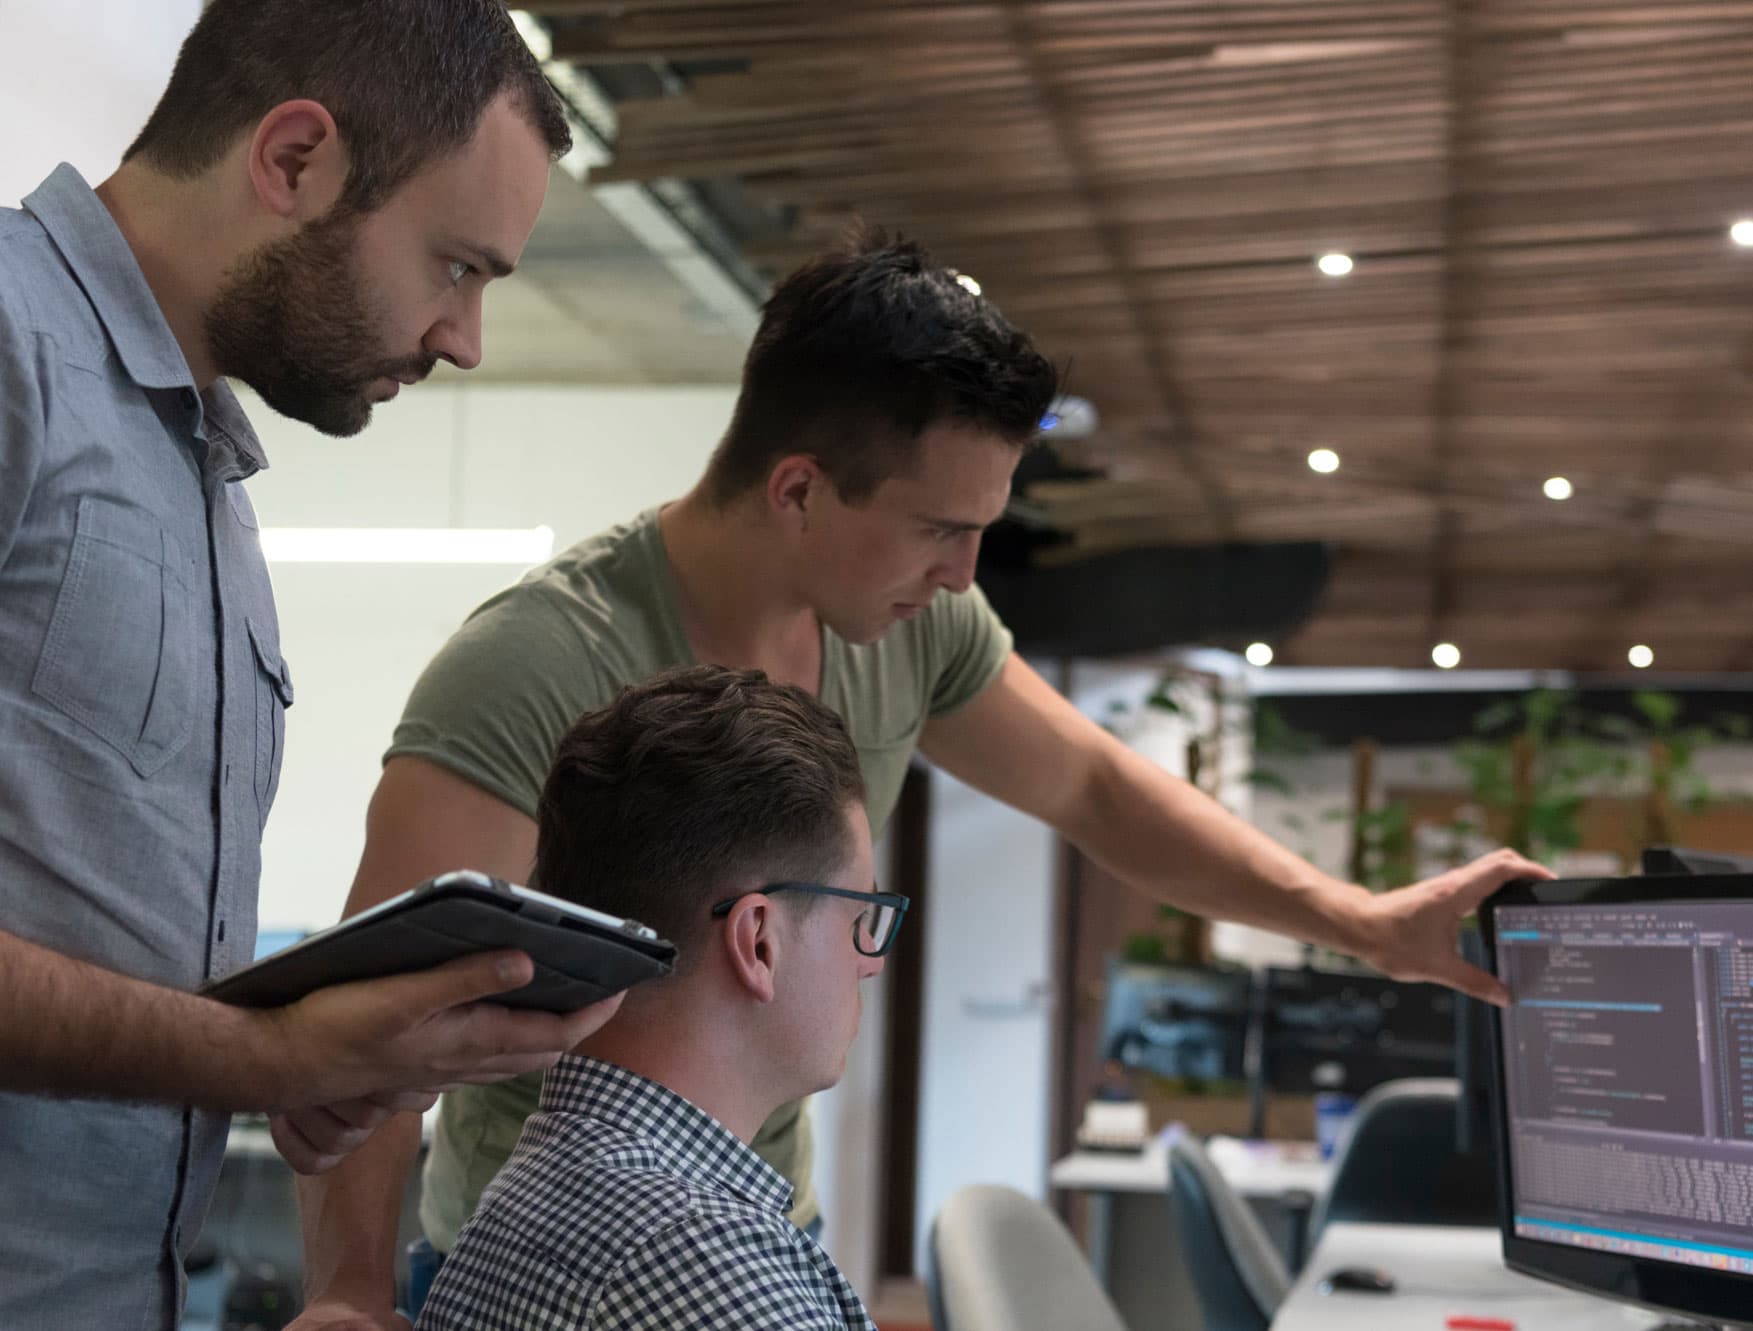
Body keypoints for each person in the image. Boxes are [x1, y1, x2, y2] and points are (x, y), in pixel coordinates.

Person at [292, 227, 1550, 1329]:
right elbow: (383, 1007)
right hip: (566, 1250)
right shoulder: (536, 663)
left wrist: (1364, 923)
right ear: (798, 490)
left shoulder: (910, 625)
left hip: (749, 1217)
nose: (963, 575)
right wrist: (348, 1289)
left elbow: (1094, 791)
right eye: (941, 529)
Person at [0, 3, 624, 1325]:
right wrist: (256, 1054)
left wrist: (312, 1051)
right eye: (457, 266)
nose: (464, 338)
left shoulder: (205, 476)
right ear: (293, 159)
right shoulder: (12, 350)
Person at [417, 666, 887, 1331]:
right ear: (758, 941)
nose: (871, 961)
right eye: (859, 918)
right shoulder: (709, 1267)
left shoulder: (527, 1196)